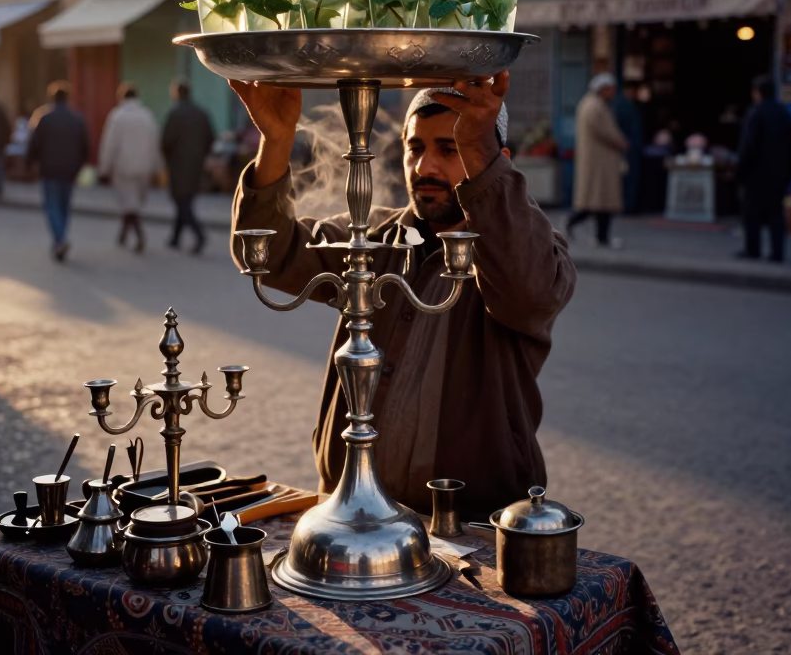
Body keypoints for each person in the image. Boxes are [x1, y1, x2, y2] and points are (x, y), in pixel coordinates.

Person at [230, 72, 576, 520]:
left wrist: (478, 151)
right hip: (350, 515)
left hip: (468, 526)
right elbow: (272, 255)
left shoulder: (527, 249)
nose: (425, 167)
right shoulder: (374, 238)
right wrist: (275, 141)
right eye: (416, 148)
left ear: (496, 158)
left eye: (449, 149)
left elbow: (528, 291)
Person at [736, 75, 791, 262]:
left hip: (756, 174)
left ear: (757, 93)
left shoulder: (756, 113)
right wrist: (788, 172)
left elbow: (749, 146)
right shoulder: (784, 113)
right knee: (775, 214)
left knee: (751, 213)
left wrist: (741, 171)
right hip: (779, 174)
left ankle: (752, 249)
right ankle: (777, 252)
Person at [27, 81, 89, 262]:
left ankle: (60, 239)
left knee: (52, 205)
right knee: (64, 205)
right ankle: (60, 238)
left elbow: (35, 144)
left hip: (49, 169)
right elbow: (85, 146)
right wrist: (80, 164)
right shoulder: (77, 119)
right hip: (70, 170)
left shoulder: (45, 119)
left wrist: (30, 162)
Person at [565, 73, 628, 246]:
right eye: (611, 89)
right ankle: (582, 228)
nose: (613, 93)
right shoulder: (595, 106)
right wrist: (622, 142)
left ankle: (601, 236)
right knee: (598, 201)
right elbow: (607, 132)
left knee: (599, 202)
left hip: (600, 160)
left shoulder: (593, 104)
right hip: (600, 161)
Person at [98, 83, 160, 253]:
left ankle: (139, 236)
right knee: (133, 202)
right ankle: (123, 235)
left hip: (123, 167)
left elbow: (110, 145)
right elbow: (154, 143)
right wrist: (156, 166)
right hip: (144, 166)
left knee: (129, 204)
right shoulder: (147, 116)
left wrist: (104, 168)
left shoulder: (117, 116)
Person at [161, 81, 215, 254]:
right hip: (196, 165)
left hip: (178, 165)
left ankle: (199, 234)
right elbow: (211, 138)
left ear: (177, 93)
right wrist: (201, 155)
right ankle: (175, 238)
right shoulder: (201, 113)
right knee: (185, 200)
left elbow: (166, 141)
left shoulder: (175, 114)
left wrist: (167, 158)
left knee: (182, 201)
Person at [610, 84, 643, 214]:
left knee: (628, 178)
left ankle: (628, 205)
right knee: (628, 178)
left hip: (629, 146)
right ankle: (628, 205)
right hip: (627, 147)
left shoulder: (620, 105)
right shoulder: (621, 105)